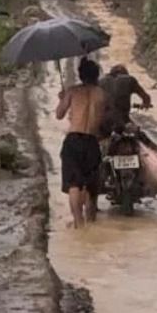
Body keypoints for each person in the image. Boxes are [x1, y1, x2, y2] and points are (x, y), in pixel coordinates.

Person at [56, 58, 107, 228]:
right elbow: (107, 117)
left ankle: (79, 224)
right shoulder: (102, 93)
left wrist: (62, 98)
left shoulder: (72, 91)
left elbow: (59, 114)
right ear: (97, 75)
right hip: (92, 141)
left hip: (73, 140)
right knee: (91, 187)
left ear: (80, 74)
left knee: (74, 184)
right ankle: (91, 222)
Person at [99, 64, 152, 136]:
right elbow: (146, 98)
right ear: (126, 73)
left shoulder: (100, 81)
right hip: (123, 120)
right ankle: (154, 147)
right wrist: (145, 104)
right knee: (140, 136)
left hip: (105, 121)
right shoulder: (130, 79)